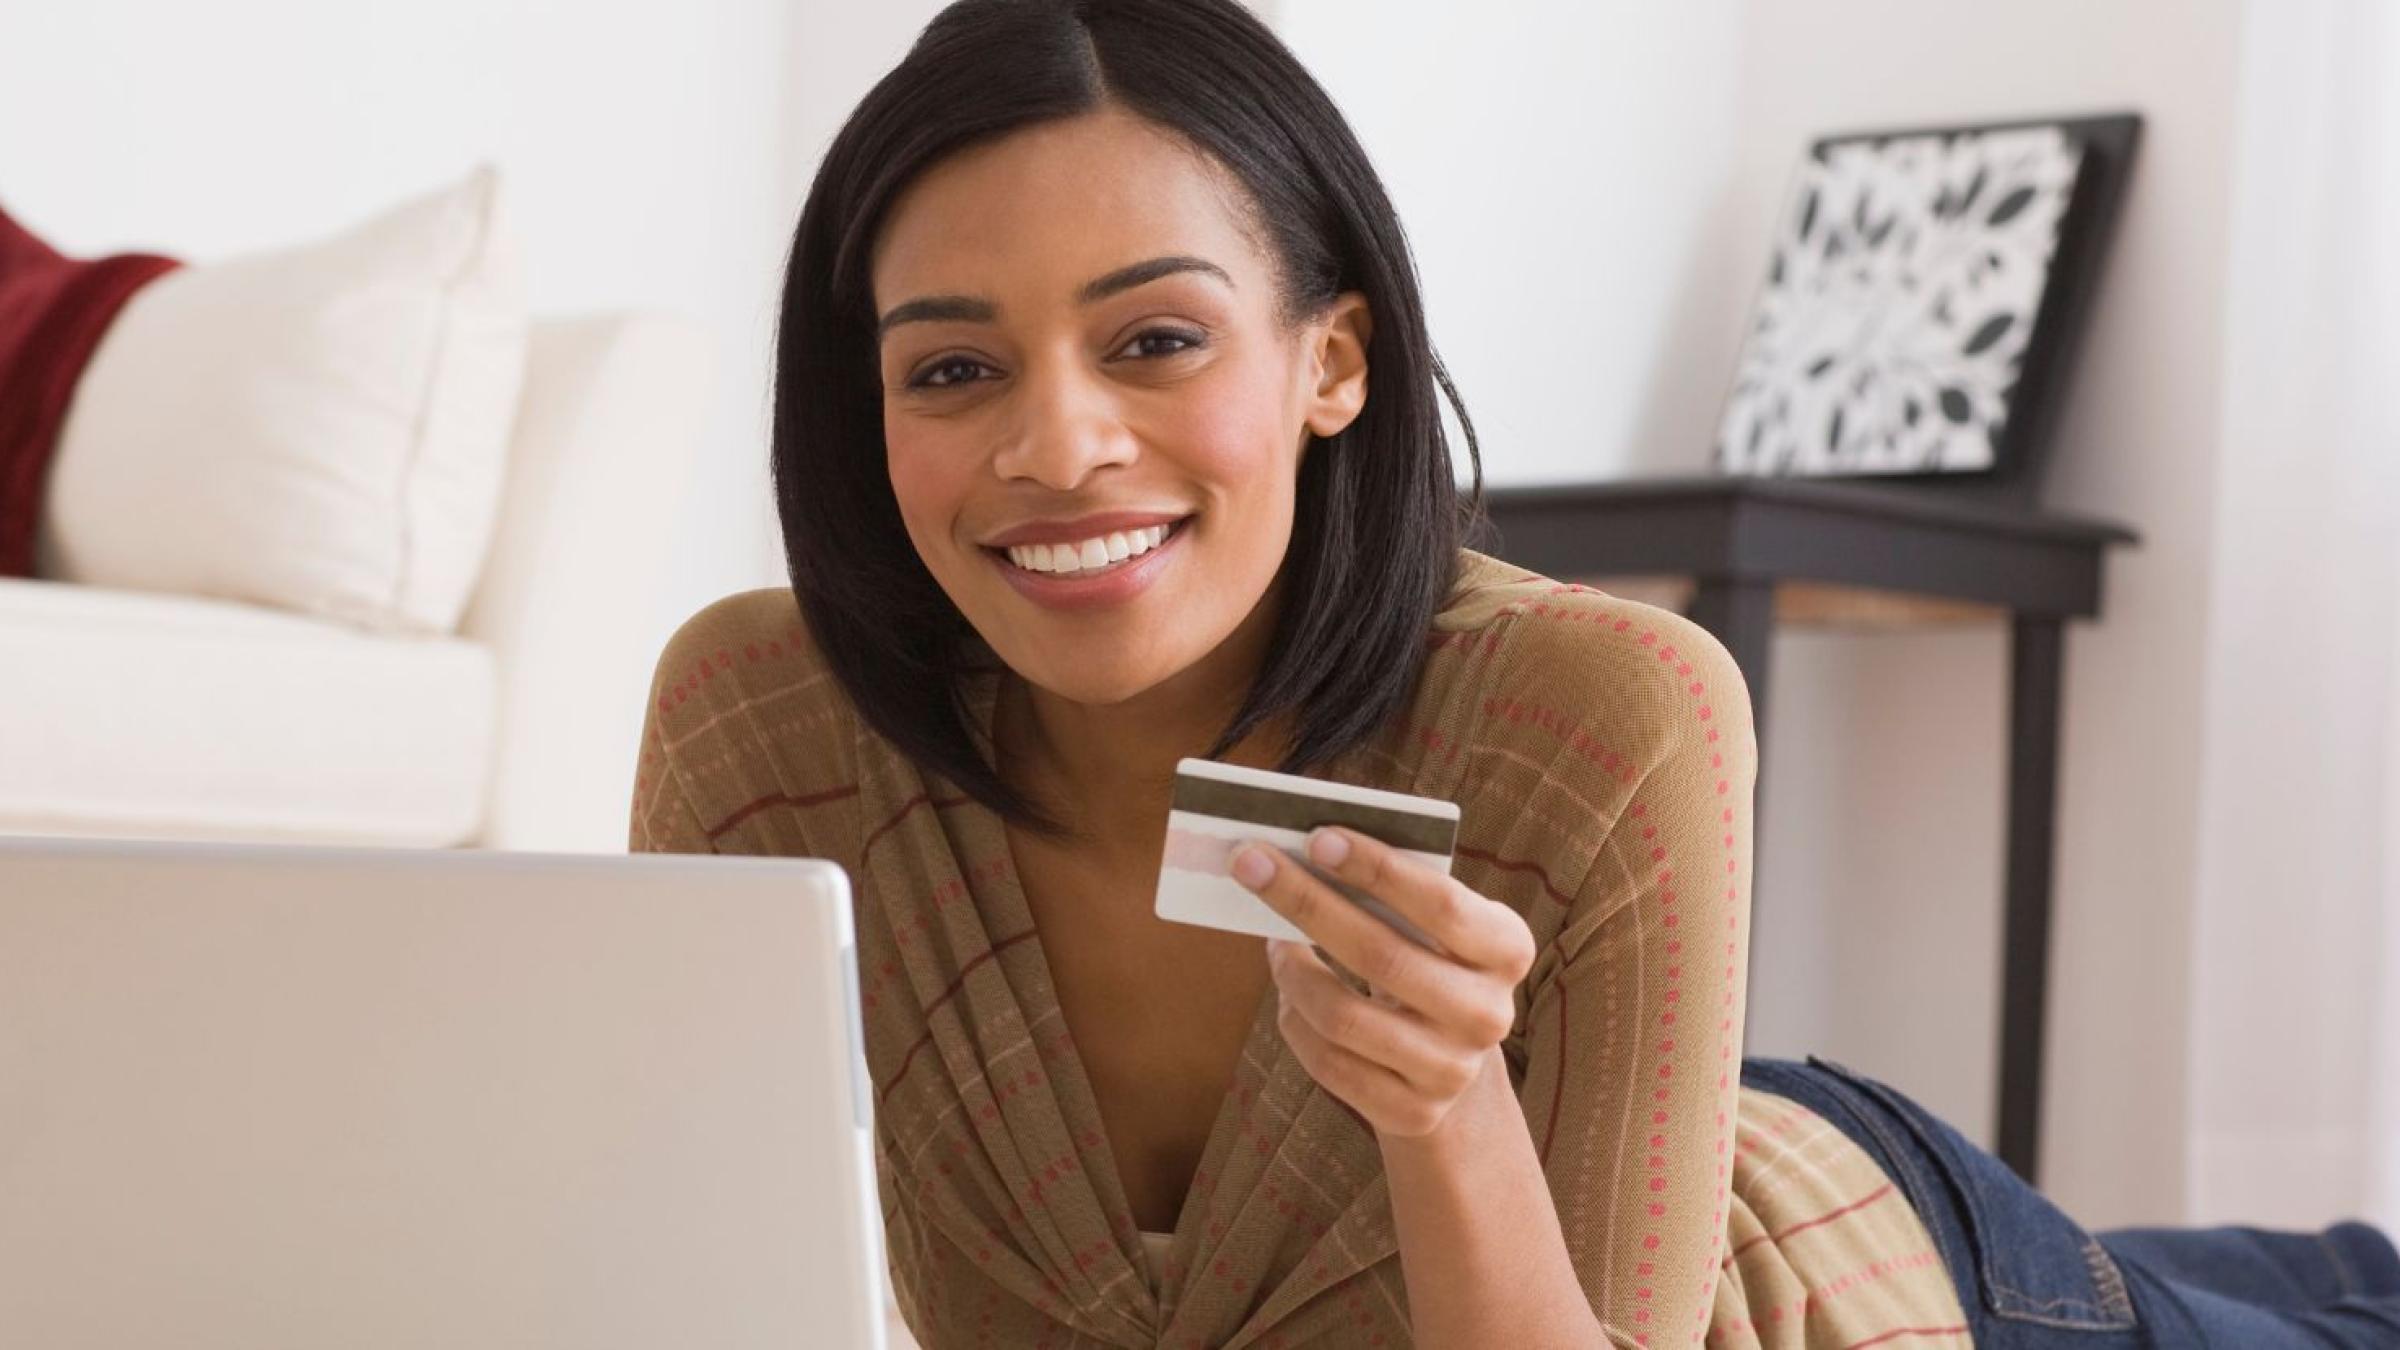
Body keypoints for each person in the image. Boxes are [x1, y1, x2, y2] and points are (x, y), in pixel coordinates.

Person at [627, 1, 2400, 1345]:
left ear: (1333, 362)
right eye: (952, 371)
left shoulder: (1603, 711)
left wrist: (1451, 1109)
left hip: (1861, 1279)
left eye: (1155, 339)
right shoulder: (764, 732)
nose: (1057, 441)